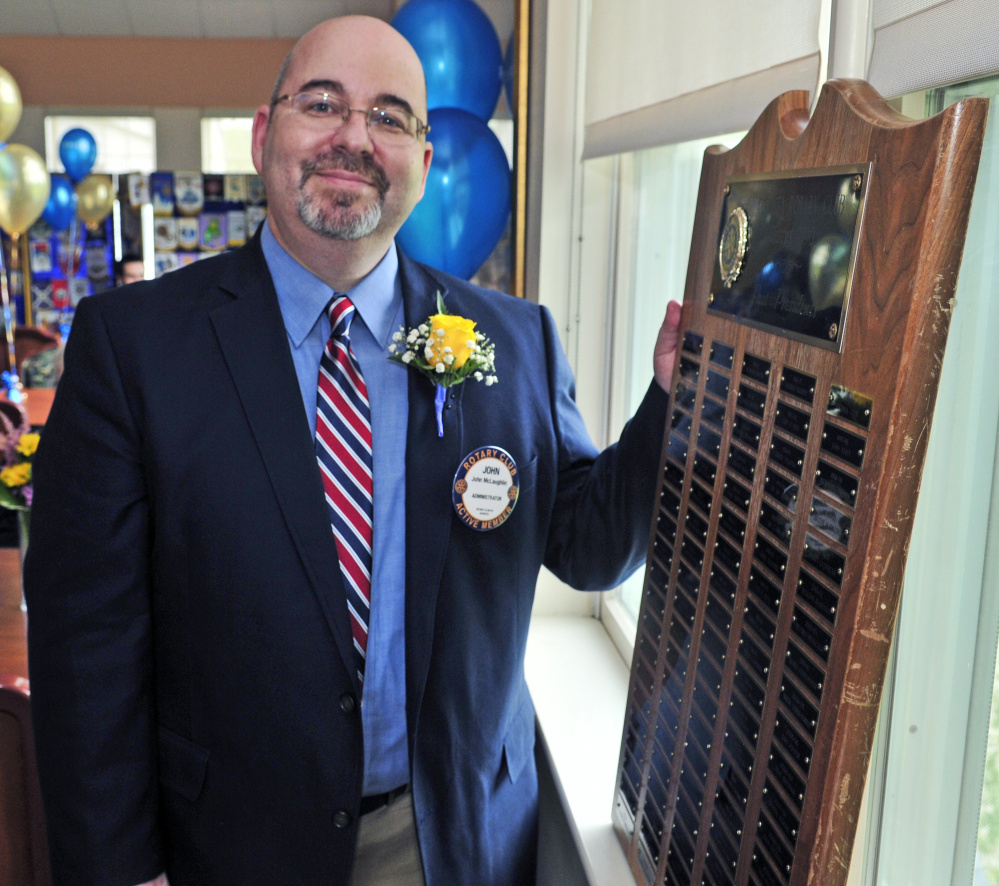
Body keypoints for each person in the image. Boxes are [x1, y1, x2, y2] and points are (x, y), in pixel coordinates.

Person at [24, 15, 681, 886]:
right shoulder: (132, 347)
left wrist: (674, 402)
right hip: (225, 848)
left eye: (390, 116)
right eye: (323, 104)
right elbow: (84, 648)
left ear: (423, 162)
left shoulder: (515, 340)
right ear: (266, 135)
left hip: (454, 839)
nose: (352, 138)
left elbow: (590, 547)